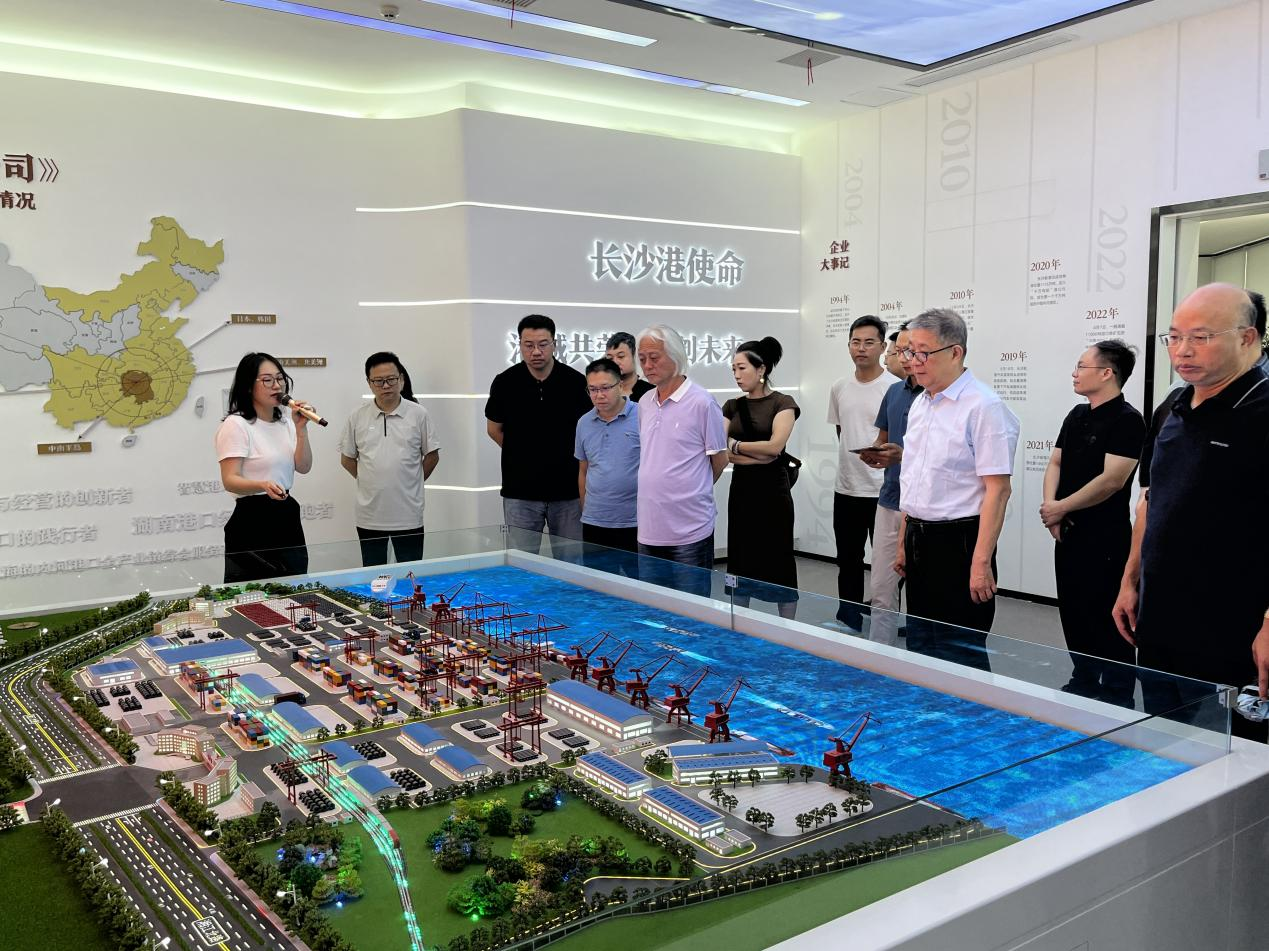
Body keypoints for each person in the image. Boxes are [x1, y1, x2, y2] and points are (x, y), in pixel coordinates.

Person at [1113, 283, 1269, 741]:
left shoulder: (1261, 410)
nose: (1182, 350)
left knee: (1242, 756)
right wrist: (1130, 580)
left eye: (1200, 337)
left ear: (1247, 337)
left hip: (1237, 626)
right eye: (1175, 336)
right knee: (1163, 741)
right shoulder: (1172, 407)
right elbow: (1152, 499)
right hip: (1162, 616)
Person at [895, 308, 1020, 670]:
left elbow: (998, 490)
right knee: (921, 646)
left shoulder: (983, 406)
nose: (913, 362)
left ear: (955, 352)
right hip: (919, 536)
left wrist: (980, 562)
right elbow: (915, 478)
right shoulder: (921, 403)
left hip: (960, 542)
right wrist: (904, 539)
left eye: (922, 353)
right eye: (909, 352)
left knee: (960, 654)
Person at [1039, 341, 1144, 705]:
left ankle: (1117, 695)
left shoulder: (1128, 420)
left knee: (1108, 617)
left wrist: (1061, 507)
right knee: (1074, 612)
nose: (1074, 373)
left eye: (1082, 366)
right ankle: (1082, 681)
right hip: (1068, 534)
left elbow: (1112, 480)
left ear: (1106, 373)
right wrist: (1052, 508)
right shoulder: (1076, 415)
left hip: (1106, 540)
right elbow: (1055, 462)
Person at [635, 324, 729, 597]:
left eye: (654, 357)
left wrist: (691, 489)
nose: (647, 366)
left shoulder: (702, 402)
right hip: (649, 527)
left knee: (692, 610)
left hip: (690, 529)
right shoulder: (644, 402)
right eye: (642, 359)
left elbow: (719, 460)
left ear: (675, 356)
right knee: (653, 608)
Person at [485, 314, 591, 553]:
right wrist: (522, 453)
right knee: (520, 563)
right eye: (528, 345)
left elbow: (587, 434)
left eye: (543, 344)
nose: (536, 352)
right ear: (519, 345)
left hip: (567, 492)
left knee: (571, 562)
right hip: (520, 492)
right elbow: (493, 429)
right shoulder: (505, 382)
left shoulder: (575, 382)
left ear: (554, 344)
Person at [215, 352, 315, 583]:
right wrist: (262, 485)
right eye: (267, 380)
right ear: (249, 386)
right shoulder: (236, 425)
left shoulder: (286, 423)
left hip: (286, 514)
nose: (277, 386)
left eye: (280, 379)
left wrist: (301, 430)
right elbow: (230, 480)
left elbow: (304, 467)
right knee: (255, 593)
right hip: (252, 518)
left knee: (294, 587)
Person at [827, 315, 899, 630]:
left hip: (884, 491)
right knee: (848, 559)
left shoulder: (894, 388)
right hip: (846, 487)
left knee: (889, 565)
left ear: (882, 347)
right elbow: (841, 431)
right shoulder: (839, 387)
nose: (861, 348)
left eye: (869, 342)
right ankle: (849, 616)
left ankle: (887, 620)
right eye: (855, 342)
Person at [722, 337, 800, 617]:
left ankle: (788, 630)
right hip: (742, 492)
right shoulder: (731, 406)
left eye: (742, 368)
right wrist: (757, 454)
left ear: (761, 369)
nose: (736, 375)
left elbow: (775, 447)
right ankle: (739, 625)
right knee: (740, 559)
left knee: (780, 559)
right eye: (733, 369)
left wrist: (737, 446)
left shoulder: (783, 403)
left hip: (773, 494)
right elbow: (722, 451)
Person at [339, 351, 441, 567]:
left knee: (411, 573)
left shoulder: (418, 414)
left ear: (401, 379)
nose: (385, 386)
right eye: (378, 381)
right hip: (370, 515)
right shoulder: (357, 416)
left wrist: (411, 480)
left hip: (408, 514)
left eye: (391, 379)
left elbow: (432, 455)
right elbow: (347, 459)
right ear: (369, 383)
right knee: (374, 574)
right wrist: (370, 480)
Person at [860, 325, 920, 645]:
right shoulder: (894, 393)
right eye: (899, 351)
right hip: (889, 499)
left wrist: (903, 455)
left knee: (923, 595)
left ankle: (919, 661)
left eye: (909, 350)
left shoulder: (937, 396)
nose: (903, 357)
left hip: (923, 508)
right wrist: (875, 453)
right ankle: (879, 656)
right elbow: (882, 439)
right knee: (881, 588)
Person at [575, 357, 640, 572]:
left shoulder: (642, 416)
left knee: (638, 584)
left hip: (634, 521)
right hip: (595, 521)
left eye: (605, 388)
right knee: (598, 584)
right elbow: (583, 470)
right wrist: (586, 508)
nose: (599, 395)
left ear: (620, 385)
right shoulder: (584, 422)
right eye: (593, 389)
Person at [605, 331, 654, 401]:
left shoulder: (651, 392)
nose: (615, 362)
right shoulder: (601, 393)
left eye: (621, 356)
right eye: (610, 358)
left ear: (635, 356)